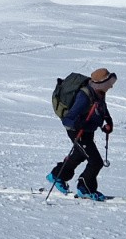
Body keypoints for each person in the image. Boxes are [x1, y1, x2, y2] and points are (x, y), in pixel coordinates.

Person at [47, 68, 116, 200]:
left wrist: (108, 121)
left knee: (79, 154)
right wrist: (80, 124)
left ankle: (57, 175)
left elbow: (102, 108)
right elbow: (68, 119)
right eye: (109, 83)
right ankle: (85, 188)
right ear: (101, 83)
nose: (111, 86)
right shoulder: (84, 96)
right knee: (96, 162)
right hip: (78, 132)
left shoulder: (99, 92)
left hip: (88, 130)